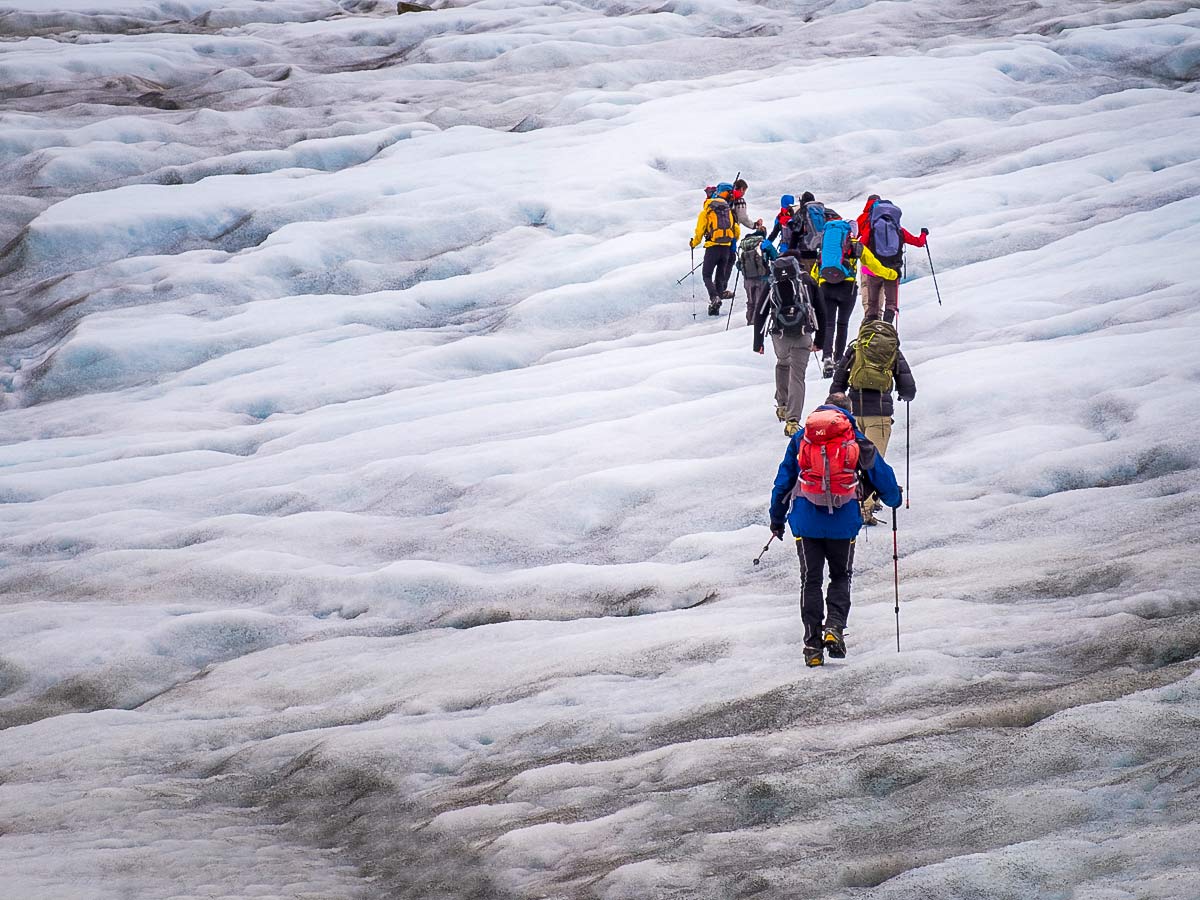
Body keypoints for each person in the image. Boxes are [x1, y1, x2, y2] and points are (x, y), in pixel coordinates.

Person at [769, 392, 902, 667]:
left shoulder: (802, 438)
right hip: (843, 522)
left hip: (806, 522)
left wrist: (777, 519)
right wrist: (894, 499)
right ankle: (834, 627)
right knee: (841, 576)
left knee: (811, 580)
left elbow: (783, 481)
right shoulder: (856, 439)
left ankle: (812, 648)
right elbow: (883, 476)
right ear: (847, 413)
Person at [830, 317, 915, 524]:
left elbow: (837, 383)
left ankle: (854, 504)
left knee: (851, 461)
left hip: (854, 412)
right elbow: (909, 389)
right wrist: (903, 395)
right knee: (872, 463)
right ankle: (865, 509)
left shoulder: (855, 348)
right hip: (880, 414)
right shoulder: (892, 351)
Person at [855, 194, 928, 324]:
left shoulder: (869, 226)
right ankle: (887, 330)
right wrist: (924, 234)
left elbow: (860, 244)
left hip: (872, 269)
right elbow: (918, 242)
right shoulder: (899, 230)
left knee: (872, 303)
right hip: (893, 270)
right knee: (891, 303)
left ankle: (870, 328)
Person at [690, 182, 740, 316]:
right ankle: (716, 308)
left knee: (706, 275)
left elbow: (700, 230)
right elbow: (735, 230)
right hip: (726, 249)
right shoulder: (728, 210)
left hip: (712, 247)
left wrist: (693, 243)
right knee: (719, 277)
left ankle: (714, 298)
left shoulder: (707, 211)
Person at [737, 224, 772, 327]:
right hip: (762, 277)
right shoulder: (764, 243)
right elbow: (775, 256)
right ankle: (756, 323)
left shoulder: (744, 244)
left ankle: (749, 321)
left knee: (750, 302)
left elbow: (739, 264)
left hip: (748, 279)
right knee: (759, 301)